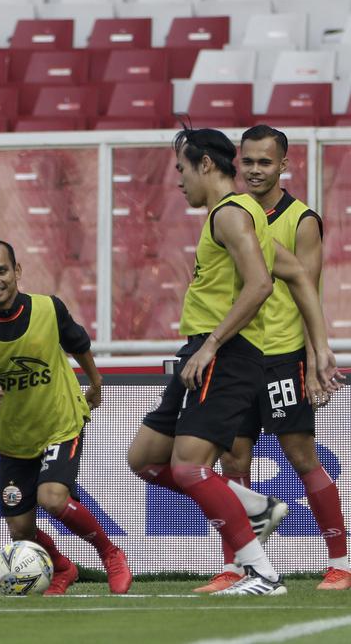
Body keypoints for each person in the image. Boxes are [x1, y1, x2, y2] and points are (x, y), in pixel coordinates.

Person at [126, 127, 341, 596]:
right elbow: (292, 276)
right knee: (143, 459)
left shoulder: (233, 215)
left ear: (205, 165)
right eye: (250, 161)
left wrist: (215, 344)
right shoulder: (241, 215)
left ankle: (267, 570)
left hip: (227, 352)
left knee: (194, 467)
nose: (178, 181)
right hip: (204, 350)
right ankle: (252, 508)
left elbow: (263, 284)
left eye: (182, 169)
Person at [196, 126, 348, 592]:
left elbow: (308, 289)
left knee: (301, 456)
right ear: (237, 164)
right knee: (232, 462)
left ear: (284, 165)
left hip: (283, 356)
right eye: (249, 162)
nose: (256, 170)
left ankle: (342, 562)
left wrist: (314, 357)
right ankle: (240, 565)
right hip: (240, 355)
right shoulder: (231, 215)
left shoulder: (301, 219)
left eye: (267, 162)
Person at [0, 238, 132, 596]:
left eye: (2, 271)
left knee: (52, 497)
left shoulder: (49, 308)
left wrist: (95, 383)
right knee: (19, 529)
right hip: (14, 441)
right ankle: (63, 568)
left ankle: (111, 554)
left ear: (17, 271)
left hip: (60, 423)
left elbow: (78, 343)